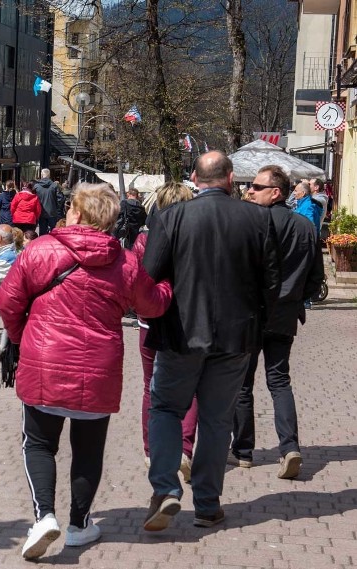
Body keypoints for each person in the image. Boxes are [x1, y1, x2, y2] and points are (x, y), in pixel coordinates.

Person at [0, 184, 172, 560]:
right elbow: (153, 304)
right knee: (89, 449)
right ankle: (79, 524)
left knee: (39, 443)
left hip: (44, 359)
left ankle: (44, 516)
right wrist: (172, 284)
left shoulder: (40, 249)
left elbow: (8, 299)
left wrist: (18, 337)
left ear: (75, 213)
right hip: (98, 365)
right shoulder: (124, 262)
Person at [142, 151, 280, 532]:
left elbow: (148, 276)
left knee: (167, 410)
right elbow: (272, 283)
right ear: (231, 178)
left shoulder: (172, 217)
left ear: (194, 178)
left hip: (182, 333)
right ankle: (207, 503)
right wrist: (258, 326)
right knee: (217, 420)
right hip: (237, 337)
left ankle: (166, 488)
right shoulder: (257, 218)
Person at [231, 165, 324, 479]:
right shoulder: (306, 227)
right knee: (279, 380)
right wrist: (296, 298)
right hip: (284, 314)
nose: (251, 190)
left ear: (276, 192)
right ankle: (290, 447)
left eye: (257, 186)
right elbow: (316, 279)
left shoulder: (252, 222)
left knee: (244, 383)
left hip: (251, 312)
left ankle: (243, 451)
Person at [132, 182, 197, 479]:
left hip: (153, 318)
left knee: (151, 386)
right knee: (191, 386)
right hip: (189, 319)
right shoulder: (197, 235)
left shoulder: (145, 238)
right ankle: (184, 448)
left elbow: (140, 277)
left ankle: (152, 451)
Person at [35, 169, 64, 235]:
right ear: (49, 175)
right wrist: (57, 208)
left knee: (42, 232)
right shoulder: (54, 185)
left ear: (42, 175)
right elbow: (60, 198)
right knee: (54, 232)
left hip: (41, 212)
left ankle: (43, 244)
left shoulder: (36, 186)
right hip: (52, 212)